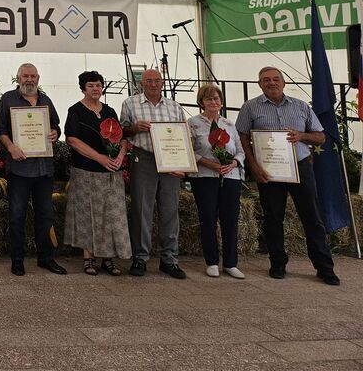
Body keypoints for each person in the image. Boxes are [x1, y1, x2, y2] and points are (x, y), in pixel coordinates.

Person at [237, 67, 339, 286]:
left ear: (284, 83)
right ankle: (278, 264)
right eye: (266, 80)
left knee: (312, 218)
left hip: (300, 167)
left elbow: (320, 137)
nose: (271, 83)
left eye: (276, 79)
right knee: (273, 218)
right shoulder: (250, 107)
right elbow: (242, 137)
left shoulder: (301, 106)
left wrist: (301, 136)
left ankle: (324, 268)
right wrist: (253, 166)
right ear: (259, 84)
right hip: (268, 170)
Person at [0, 63, 67, 276]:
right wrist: (11, 147)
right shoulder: (8, 99)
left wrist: (55, 133)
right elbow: (0, 129)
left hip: (44, 169)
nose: (29, 79)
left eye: (33, 76)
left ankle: (45, 258)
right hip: (19, 168)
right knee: (17, 215)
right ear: (18, 78)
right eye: (25, 76)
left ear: (38, 78)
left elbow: (55, 125)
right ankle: (17, 260)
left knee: (45, 216)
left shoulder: (46, 100)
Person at [120, 68, 187, 279]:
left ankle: (169, 260)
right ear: (142, 83)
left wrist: (183, 164)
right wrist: (134, 128)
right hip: (144, 157)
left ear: (163, 82)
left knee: (170, 209)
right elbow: (122, 131)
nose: (153, 84)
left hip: (170, 159)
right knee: (142, 209)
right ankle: (140, 258)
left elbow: (183, 136)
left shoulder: (175, 106)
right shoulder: (130, 103)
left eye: (157, 80)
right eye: (148, 80)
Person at [63, 70, 131, 276]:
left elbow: (122, 137)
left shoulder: (110, 111)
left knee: (110, 216)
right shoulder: (75, 111)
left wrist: (120, 156)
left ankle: (108, 259)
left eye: (98, 85)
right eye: (91, 85)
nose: (95, 89)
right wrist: (99, 157)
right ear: (83, 88)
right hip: (86, 171)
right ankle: (88, 258)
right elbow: (72, 140)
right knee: (87, 215)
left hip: (111, 173)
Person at [188, 83, 245, 280]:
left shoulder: (229, 124)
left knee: (230, 220)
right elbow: (190, 151)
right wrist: (210, 164)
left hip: (230, 177)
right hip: (205, 177)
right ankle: (211, 262)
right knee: (208, 219)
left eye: (216, 98)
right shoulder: (192, 123)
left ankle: (230, 263)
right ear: (201, 102)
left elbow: (240, 150)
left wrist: (234, 163)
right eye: (209, 99)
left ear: (221, 102)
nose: (213, 102)